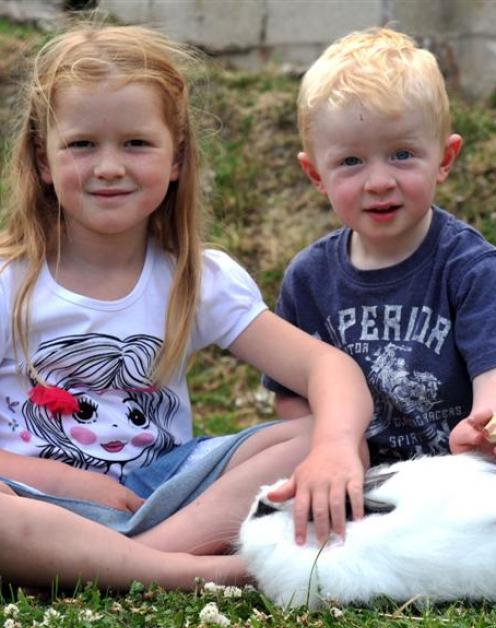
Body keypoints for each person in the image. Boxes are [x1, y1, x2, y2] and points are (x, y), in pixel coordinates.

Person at [0, 21, 373, 589]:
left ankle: (123, 563)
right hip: (36, 499)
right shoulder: (11, 280)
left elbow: (328, 368)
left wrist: (336, 449)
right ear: (43, 161)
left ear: (176, 157)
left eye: (136, 143)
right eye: (81, 144)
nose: (108, 167)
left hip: (167, 496)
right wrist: (67, 481)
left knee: (317, 434)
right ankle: (192, 572)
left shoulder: (195, 278)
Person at [263, 27, 496, 524]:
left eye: (402, 154)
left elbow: (492, 378)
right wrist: (328, 454)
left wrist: (483, 430)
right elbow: (292, 397)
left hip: (459, 476)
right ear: (316, 175)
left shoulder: (471, 268)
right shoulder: (309, 278)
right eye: (350, 161)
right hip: (358, 478)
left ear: (445, 159)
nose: (379, 181)